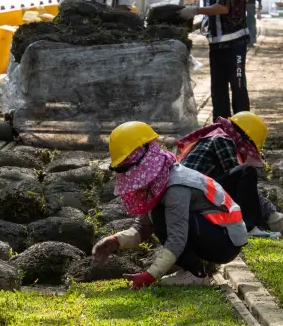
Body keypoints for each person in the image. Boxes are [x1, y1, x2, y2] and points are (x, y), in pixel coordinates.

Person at [92, 121, 248, 288]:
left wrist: (150, 275)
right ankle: (192, 269)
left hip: (226, 243)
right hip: (214, 233)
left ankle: (196, 274)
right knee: (158, 215)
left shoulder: (176, 187)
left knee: (160, 215)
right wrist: (116, 241)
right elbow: (143, 227)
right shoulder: (156, 185)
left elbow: (177, 238)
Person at [175, 111, 283, 237]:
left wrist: (268, 212)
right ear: (245, 138)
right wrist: (270, 214)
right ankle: (249, 227)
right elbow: (239, 180)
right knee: (247, 171)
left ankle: (256, 223)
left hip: (188, 196)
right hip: (193, 196)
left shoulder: (216, 136)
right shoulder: (222, 140)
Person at [180, 0, 250, 120]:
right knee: (218, 91)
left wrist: (195, 10)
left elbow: (223, 8)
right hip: (217, 46)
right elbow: (213, 14)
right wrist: (195, 24)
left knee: (238, 85)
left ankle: (242, 127)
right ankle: (221, 128)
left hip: (235, 45)